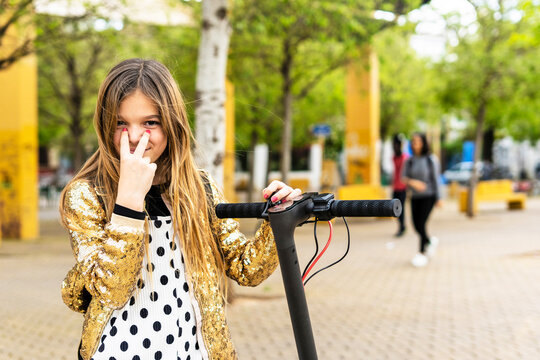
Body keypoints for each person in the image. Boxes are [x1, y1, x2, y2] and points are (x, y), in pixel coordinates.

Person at [59, 58, 301, 360]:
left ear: (171, 124)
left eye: (150, 123)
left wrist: (277, 220)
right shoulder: (88, 194)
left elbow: (247, 268)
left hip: (191, 350)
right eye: (121, 123)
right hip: (118, 350)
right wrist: (129, 203)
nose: (135, 137)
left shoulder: (199, 188)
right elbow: (111, 291)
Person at [402, 132, 441, 267]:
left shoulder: (431, 160)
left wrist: (439, 198)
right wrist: (414, 183)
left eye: (418, 141)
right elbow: (403, 178)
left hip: (429, 196)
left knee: (421, 224)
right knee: (415, 224)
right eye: (413, 141)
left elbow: (436, 180)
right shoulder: (409, 161)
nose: (415, 144)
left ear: (424, 143)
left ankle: (421, 252)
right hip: (415, 197)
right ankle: (430, 241)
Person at [391, 134, 408, 237]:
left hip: (403, 187)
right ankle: (401, 226)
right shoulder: (394, 157)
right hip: (395, 187)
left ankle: (402, 227)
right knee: (394, 209)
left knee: (401, 209)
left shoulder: (405, 157)